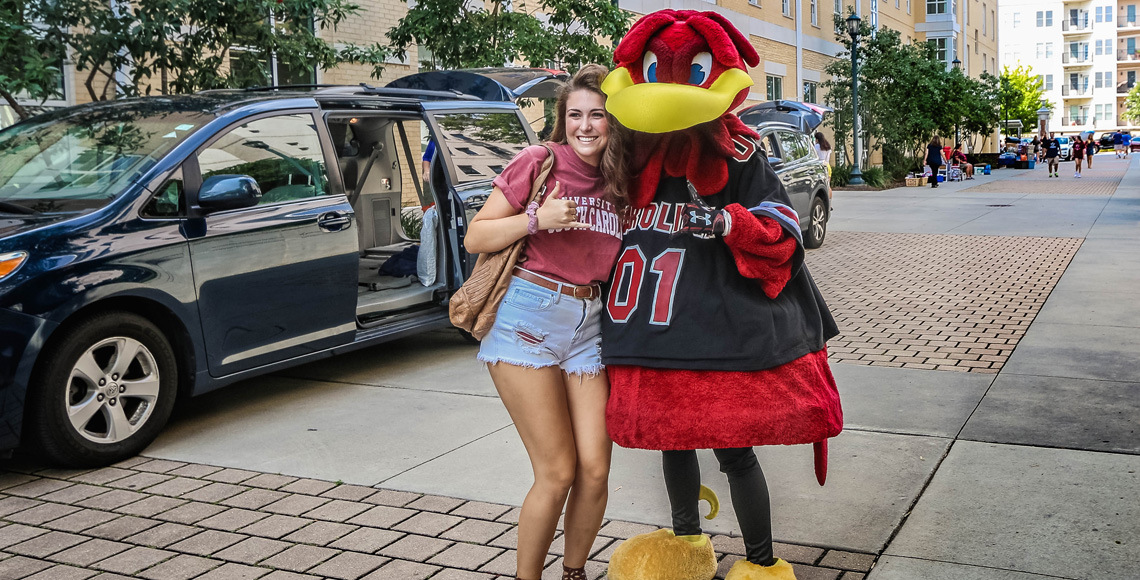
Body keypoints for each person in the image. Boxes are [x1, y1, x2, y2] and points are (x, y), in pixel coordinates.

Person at [599, 10, 842, 580]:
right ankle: (687, 545)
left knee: (734, 451)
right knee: (672, 442)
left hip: (717, 329)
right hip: (651, 330)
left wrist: (729, 223)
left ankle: (760, 563)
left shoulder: (740, 152)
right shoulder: (629, 150)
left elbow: (782, 229)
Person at [460, 64, 629, 580]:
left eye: (597, 115)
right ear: (562, 119)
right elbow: (477, 236)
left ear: (613, 122)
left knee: (595, 471)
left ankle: (573, 573)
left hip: (590, 323)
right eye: (574, 114)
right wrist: (538, 219)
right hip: (528, 318)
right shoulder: (540, 162)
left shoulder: (622, 180)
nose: (585, 125)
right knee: (557, 472)